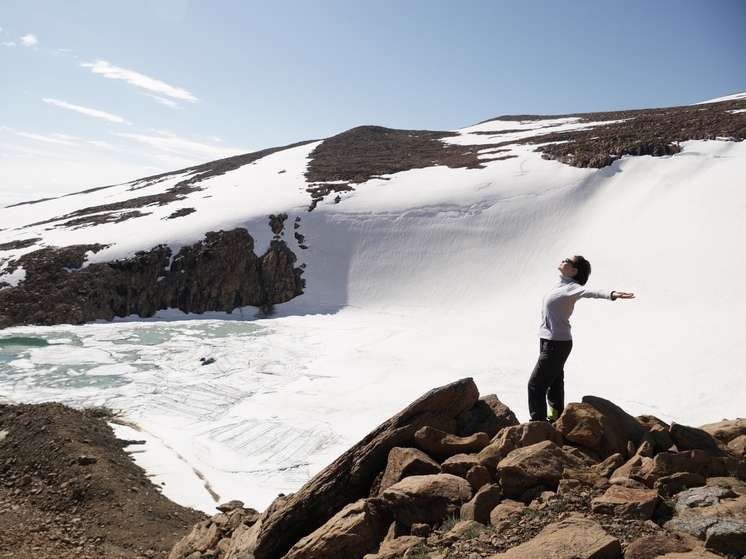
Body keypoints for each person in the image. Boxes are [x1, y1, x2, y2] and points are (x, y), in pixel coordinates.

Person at [527, 255, 634, 422]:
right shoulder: (561, 284)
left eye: (568, 260)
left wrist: (611, 294)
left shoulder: (572, 288)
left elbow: (591, 292)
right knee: (554, 382)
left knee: (536, 385)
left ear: (574, 271)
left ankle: (538, 424)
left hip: (557, 343)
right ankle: (555, 418)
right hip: (548, 340)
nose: (563, 260)